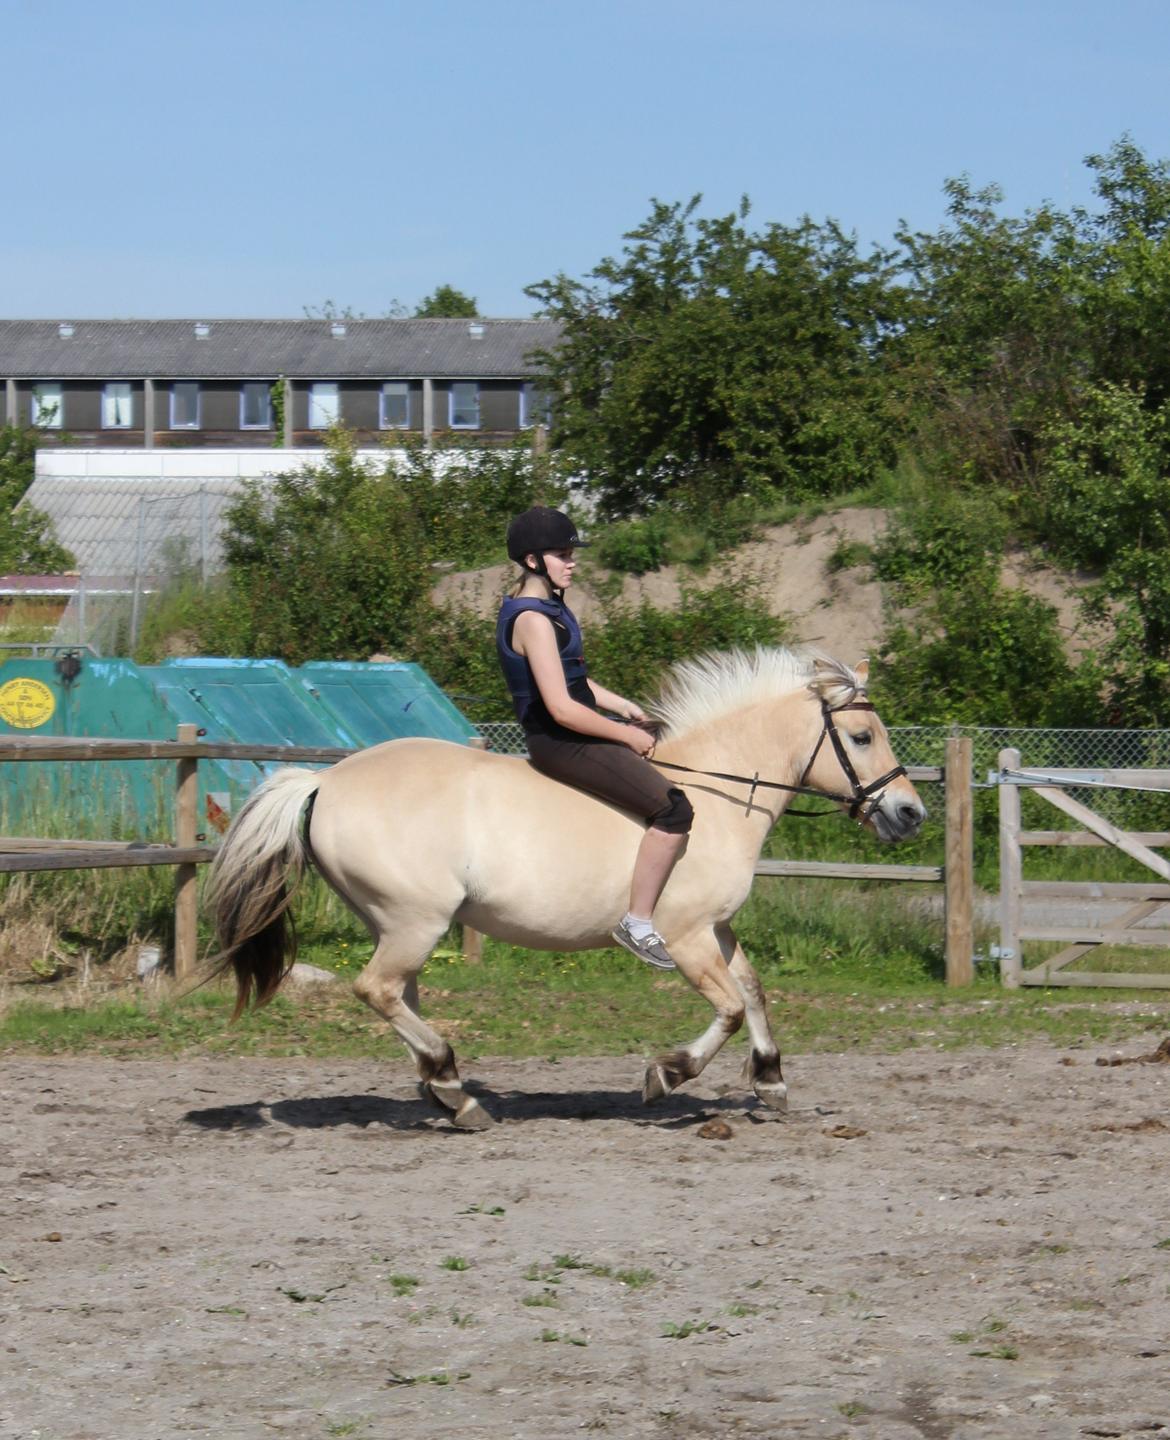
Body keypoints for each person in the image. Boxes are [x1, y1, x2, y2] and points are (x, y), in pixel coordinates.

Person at [496, 505, 694, 969]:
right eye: (562, 555)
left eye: (571, 554)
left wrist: (618, 703)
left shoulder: (550, 607)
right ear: (532, 561)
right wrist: (624, 735)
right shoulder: (533, 620)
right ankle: (638, 921)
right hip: (562, 739)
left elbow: (574, 682)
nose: (572, 562)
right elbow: (561, 706)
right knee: (673, 808)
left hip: (578, 727)